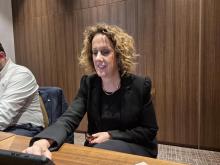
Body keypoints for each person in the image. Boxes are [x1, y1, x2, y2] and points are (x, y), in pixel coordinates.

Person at [23, 23, 158, 159]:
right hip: (99, 146)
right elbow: (69, 118)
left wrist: (111, 135)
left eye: (105, 52)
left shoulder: (140, 85)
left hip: (136, 145)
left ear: (118, 55)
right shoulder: (89, 83)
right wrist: (44, 141)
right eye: (94, 52)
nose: (98, 58)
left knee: (100, 152)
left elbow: (149, 130)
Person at [0, 42, 44, 136]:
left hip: (25, 128)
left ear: (1, 56)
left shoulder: (21, 74)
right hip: (6, 128)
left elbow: (3, 117)